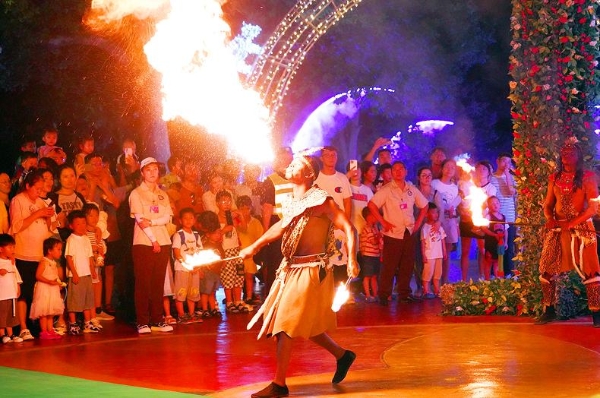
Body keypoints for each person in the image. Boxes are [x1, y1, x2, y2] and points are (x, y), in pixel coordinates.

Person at [240, 153, 359, 398]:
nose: (291, 165)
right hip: (291, 268)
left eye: (297, 164)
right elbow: (280, 226)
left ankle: (279, 385)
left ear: (308, 174)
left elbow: (349, 227)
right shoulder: (294, 201)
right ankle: (342, 355)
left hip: (312, 270)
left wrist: (353, 260)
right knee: (307, 325)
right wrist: (255, 246)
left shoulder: (321, 200)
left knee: (285, 324)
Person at [537, 138, 600, 326]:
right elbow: (548, 205)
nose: (567, 155)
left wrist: (572, 223)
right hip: (558, 229)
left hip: (582, 230)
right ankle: (548, 310)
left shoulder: (588, 177)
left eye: (571, 152)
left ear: (578, 155)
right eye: (564, 152)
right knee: (547, 271)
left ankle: (596, 313)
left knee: (591, 272)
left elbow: (592, 209)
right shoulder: (554, 178)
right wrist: (550, 219)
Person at [367, 161, 428, 305]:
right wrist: (383, 222)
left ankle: (404, 293)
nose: (398, 171)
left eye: (401, 169)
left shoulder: (411, 189)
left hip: (408, 232)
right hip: (392, 233)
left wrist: (417, 225)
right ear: (391, 173)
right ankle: (384, 295)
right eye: (395, 169)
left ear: (406, 171)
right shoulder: (387, 189)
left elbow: (424, 206)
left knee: (407, 265)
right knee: (389, 265)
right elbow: (372, 205)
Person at [129, 157, 174, 334]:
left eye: (155, 169)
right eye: (148, 169)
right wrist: (153, 240)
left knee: (158, 283)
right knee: (143, 283)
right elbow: (140, 219)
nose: (152, 172)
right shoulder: (136, 193)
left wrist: (154, 223)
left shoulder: (163, 194)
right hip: (144, 242)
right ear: (142, 172)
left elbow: (166, 217)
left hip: (163, 240)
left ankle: (157, 319)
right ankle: (142, 321)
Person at [10, 170, 54, 340]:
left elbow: (50, 228)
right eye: (36, 189)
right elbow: (16, 226)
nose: (39, 192)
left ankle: (37, 326)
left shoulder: (41, 203)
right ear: (27, 186)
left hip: (39, 255)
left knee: (38, 293)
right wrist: (37, 214)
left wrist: (51, 218)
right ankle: (22, 327)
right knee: (24, 292)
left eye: (41, 189)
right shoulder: (18, 201)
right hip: (23, 254)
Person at [257, 146, 294, 296]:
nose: (287, 159)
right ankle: (273, 295)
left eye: (289, 156)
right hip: (277, 226)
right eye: (284, 157)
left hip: (294, 226)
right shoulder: (271, 180)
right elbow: (267, 207)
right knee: (276, 263)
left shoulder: (297, 177)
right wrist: (266, 233)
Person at [315, 146, 353, 286]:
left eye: (334, 155)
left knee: (340, 258)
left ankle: (340, 292)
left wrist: (345, 223)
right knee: (322, 260)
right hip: (321, 227)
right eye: (327, 155)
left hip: (338, 227)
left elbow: (347, 202)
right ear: (321, 158)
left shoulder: (342, 178)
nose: (331, 157)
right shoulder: (316, 178)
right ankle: (322, 292)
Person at [64, 210, 101, 335]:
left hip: (86, 274)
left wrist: (92, 271)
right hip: (77, 275)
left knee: (87, 300)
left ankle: (87, 322)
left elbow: (89, 257)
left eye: (83, 223)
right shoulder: (71, 239)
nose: (81, 226)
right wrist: (74, 273)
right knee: (74, 300)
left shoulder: (86, 239)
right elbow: (69, 257)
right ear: (71, 226)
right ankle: (73, 323)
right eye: (78, 224)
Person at [216, 190, 249, 313]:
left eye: (229, 201)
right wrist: (225, 229)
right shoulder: (216, 217)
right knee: (228, 277)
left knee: (239, 276)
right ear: (217, 203)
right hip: (225, 251)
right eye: (223, 201)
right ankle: (229, 302)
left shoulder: (232, 216)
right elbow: (215, 236)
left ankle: (238, 301)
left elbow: (244, 229)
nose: (226, 204)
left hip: (236, 249)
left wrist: (240, 216)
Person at [431, 159, 461, 284]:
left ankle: (444, 280)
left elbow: (457, 205)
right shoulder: (434, 183)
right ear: (442, 169)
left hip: (450, 222)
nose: (449, 169)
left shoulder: (455, 188)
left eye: (452, 167)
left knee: (446, 253)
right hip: (436, 221)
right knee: (433, 252)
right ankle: (432, 281)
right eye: (447, 167)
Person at [171, 207, 203, 324]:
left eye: (191, 218)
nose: (188, 220)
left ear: (194, 220)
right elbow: (177, 252)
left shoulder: (196, 235)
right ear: (180, 220)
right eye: (185, 218)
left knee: (193, 292)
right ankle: (181, 315)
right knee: (181, 292)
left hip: (194, 269)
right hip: (182, 269)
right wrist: (186, 264)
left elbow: (199, 251)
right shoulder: (179, 235)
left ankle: (191, 314)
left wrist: (198, 266)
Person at [29, 237, 65, 339]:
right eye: (58, 249)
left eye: (60, 249)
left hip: (52, 289)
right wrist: (49, 281)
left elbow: (54, 276)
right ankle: (44, 331)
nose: (60, 252)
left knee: (51, 312)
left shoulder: (54, 263)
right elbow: (38, 275)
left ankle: (50, 330)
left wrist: (58, 283)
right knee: (44, 311)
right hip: (45, 289)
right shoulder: (44, 261)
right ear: (49, 250)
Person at [491, 153, 517, 276]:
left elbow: (511, 192)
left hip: (509, 217)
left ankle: (509, 273)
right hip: (496, 217)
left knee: (509, 246)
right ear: (498, 161)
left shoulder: (513, 178)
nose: (506, 165)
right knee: (495, 247)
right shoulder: (491, 178)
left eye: (509, 162)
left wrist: (507, 175)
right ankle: (494, 273)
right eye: (504, 161)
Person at [236, 195, 264, 304]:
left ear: (250, 208)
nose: (244, 211)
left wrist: (257, 249)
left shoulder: (255, 222)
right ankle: (237, 297)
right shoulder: (236, 221)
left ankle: (248, 296)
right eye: (241, 208)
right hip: (238, 253)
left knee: (249, 276)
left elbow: (260, 237)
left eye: (246, 208)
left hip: (250, 255)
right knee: (238, 277)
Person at [197, 211, 225, 318]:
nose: (218, 235)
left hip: (216, 272)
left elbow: (222, 256)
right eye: (216, 233)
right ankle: (205, 309)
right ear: (208, 234)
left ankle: (213, 308)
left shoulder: (218, 245)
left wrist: (223, 263)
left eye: (219, 233)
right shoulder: (206, 245)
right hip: (208, 272)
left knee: (212, 291)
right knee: (205, 291)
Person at [0, 234, 24, 343]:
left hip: (11, 292)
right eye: (10, 247)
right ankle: (2, 334)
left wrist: (18, 285)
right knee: (2, 313)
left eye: (13, 247)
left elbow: (16, 274)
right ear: (1, 249)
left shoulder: (11, 261)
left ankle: (11, 334)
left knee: (11, 313)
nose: (12, 250)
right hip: (2, 294)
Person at [420, 203, 447, 298]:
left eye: (437, 213)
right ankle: (426, 290)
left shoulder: (440, 227)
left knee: (437, 274)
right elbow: (423, 242)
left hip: (438, 254)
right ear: (427, 214)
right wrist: (423, 255)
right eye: (433, 212)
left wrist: (444, 251)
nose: (436, 215)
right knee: (428, 273)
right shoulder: (425, 228)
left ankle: (437, 290)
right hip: (430, 255)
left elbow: (443, 239)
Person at [359, 206, 382, 302]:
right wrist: (379, 235)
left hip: (375, 255)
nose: (377, 217)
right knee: (367, 275)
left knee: (374, 276)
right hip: (368, 256)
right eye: (375, 215)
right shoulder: (367, 228)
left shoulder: (374, 228)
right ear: (369, 217)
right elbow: (373, 241)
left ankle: (375, 294)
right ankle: (368, 295)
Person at [481, 196, 506, 280]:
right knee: (488, 261)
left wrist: (505, 242)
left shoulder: (503, 217)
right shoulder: (488, 217)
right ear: (488, 206)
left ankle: (497, 280)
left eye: (497, 203)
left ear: (500, 204)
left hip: (500, 244)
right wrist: (493, 235)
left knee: (497, 262)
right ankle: (487, 280)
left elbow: (506, 230)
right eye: (492, 203)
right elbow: (484, 228)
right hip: (490, 243)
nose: (495, 205)